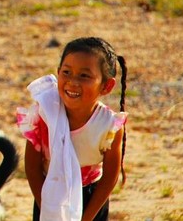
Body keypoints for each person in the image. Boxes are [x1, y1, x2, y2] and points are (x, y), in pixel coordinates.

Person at [17, 37, 128, 221]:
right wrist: (45, 206)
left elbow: (109, 176)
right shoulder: (45, 115)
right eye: (66, 72)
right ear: (58, 72)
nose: (72, 82)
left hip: (92, 199)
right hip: (51, 194)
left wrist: (87, 217)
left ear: (106, 86)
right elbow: (32, 166)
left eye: (84, 76)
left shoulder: (108, 125)